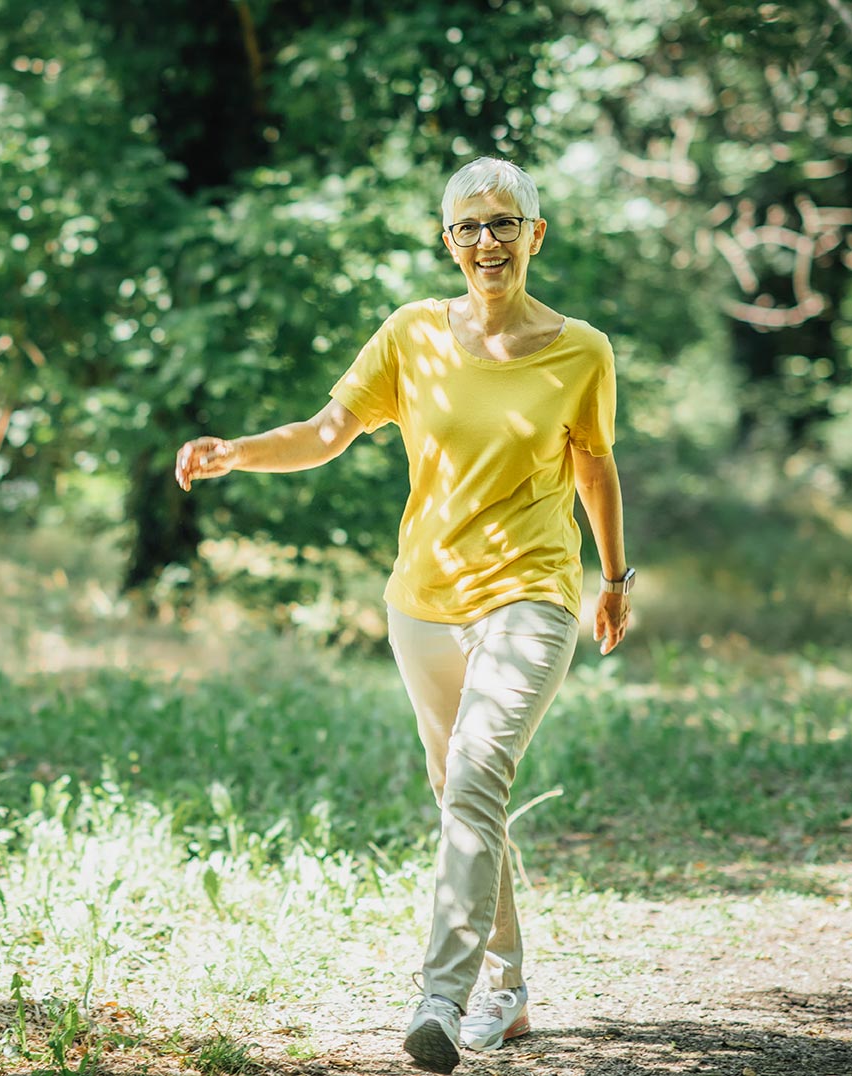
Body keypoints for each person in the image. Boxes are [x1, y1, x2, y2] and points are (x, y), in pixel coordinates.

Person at [174, 156, 632, 1074]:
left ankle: (441, 996)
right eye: (467, 227)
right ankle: (505, 989)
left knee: (475, 773)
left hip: (532, 593)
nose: (485, 242)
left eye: (502, 223)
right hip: (421, 603)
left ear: (534, 235)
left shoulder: (581, 349)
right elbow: (326, 431)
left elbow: (592, 467)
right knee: (461, 790)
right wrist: (238, 453)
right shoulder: (411, 334)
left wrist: (613, 580)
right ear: (447, 241)